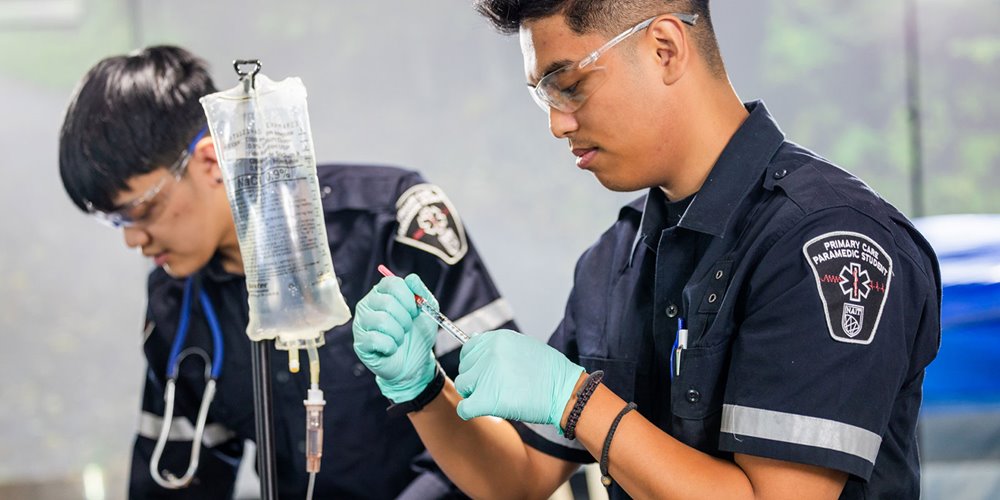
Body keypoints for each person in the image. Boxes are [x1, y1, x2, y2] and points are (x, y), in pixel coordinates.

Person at [351, 1, 941, 498]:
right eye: (542, 96)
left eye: (569, 84)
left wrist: (576, 401)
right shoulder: (618, 257)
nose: (557, 123)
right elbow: (521, 475)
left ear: (664, 48)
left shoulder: (825, 242)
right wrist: (425, 387)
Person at [58, 45, 516, 499]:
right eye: (114, 222)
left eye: (141, 210)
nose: (132, 240)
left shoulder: (392, 223)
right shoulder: (178, 302)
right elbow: (176, 478)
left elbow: (507, 422)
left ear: (208, 162)